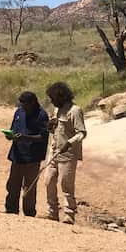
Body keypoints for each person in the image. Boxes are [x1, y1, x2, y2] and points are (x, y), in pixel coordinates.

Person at [45, 81, 86, 224]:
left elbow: (81, 133)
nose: (52, 101)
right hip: (54, 151)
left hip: (68, 155)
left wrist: (69, 143)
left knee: (66, 184)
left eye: (53, 98)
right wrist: (50, 127)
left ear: (61, 97)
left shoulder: (75, 111)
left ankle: (69, 214)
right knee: (48, 181)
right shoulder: (57, 110)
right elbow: (55, 129)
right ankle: (52, 212)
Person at [5, 91, 49, 216]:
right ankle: (11, 210)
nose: (23, 107)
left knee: (29, 188)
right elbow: (14, 128)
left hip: (32, 157)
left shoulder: (42, 115)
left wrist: (25, 138)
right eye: (22, 104)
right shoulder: (19, 112)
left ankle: (29, 213)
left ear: (33, 103)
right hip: (17, 154)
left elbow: (43, 136)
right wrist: (11, 136)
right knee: (13, 185)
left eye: (25, 105)